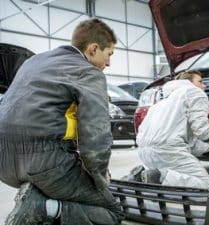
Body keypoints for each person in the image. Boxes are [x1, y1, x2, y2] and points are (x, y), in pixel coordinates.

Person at [0, 18, 124, 224]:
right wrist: (100, 177)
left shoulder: (33, 62)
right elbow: (95, 137)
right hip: (44, 164)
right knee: (112, 212)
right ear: (93, 49)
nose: (109, 63)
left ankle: (42, 204)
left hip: (4, 163)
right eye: (109, 54)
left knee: (64, 196)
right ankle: (43, 208)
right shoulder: (88, 73)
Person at [134, 70, 209, 189]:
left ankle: (139, 176)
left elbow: (191, 144)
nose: (204, 86)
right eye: (200, 81)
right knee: (206, 185)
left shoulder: (161, 103)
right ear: (188, 82)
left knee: (174, 179)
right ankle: (159, 177)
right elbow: (201, 130)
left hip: (145, 152)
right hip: (169, 149)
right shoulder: (194, 92)